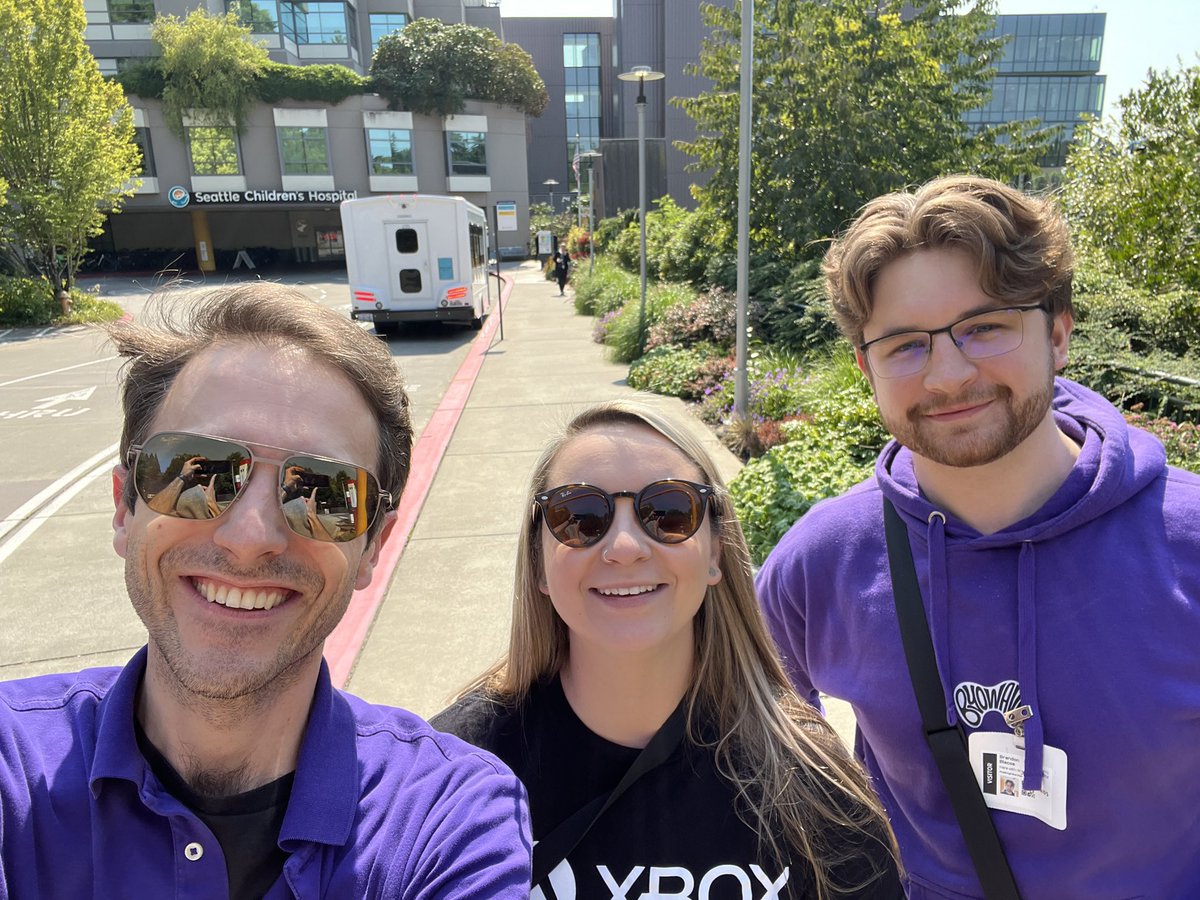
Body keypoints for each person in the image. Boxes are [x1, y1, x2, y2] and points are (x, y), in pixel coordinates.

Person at [0, 284, 531, 897]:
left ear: (374, 548)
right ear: (124, 507)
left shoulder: (447, 821)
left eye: (325, 493)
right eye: (197, 470)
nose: (249, 538)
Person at [756, 175, 1200, 898]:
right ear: (866, 368)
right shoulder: (822, 562)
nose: (948, 374)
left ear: (1057, 334)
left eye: (985, 327)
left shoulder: (1187, 543)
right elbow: (745, 734)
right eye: (905, 346)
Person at [433, 400, 902, 899]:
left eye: (670, 511)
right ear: (539, 562)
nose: (625, 546)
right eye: (579, 516)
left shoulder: (814, 786)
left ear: (716, 551)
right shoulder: (451, 773)